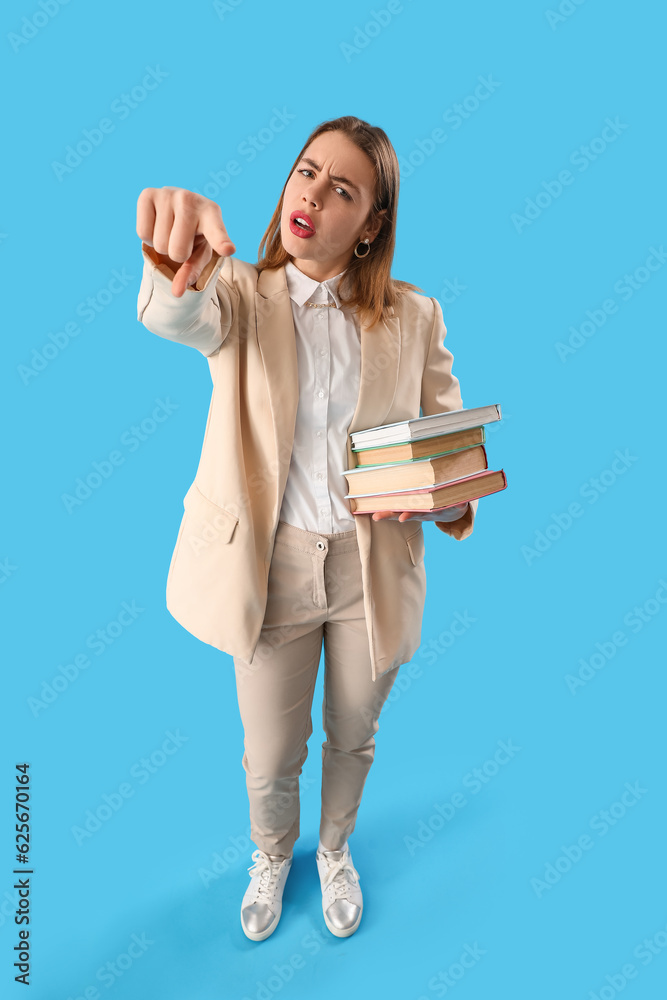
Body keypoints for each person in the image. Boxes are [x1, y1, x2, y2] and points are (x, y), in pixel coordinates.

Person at [135, 115, 477, 942]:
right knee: (270, 749)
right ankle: (269, 853)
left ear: (372, 224)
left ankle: (332, 850)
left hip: (370, 571)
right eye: (306, 172)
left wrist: (451, 497)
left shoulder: (415, 316)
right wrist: (172, 269)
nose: (313, 194)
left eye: (343, 190)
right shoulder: (239, 294)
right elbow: (175, 316)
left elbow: (451, 447)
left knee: (353, 734)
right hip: (272, 567)